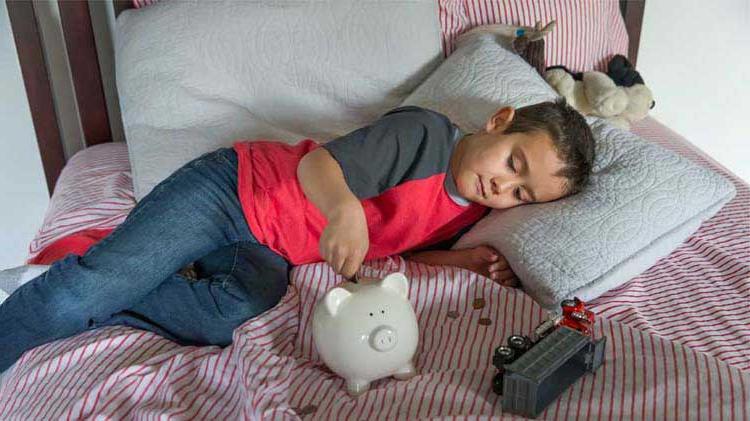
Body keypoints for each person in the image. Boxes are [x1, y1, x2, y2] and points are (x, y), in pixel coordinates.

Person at [0, 99, 594, 371]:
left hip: (269, 249)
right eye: (513, 165)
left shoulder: (466, 208)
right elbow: (319, 167)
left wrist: (459, 265)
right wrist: (343, 210)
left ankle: (115, 283)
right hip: (231, 191)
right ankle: (49, 291)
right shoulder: (425, 137)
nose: (503, 189)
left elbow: (404, 244)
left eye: (522, 196)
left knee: (222, 318)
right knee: (80, 294)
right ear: (499, 121)